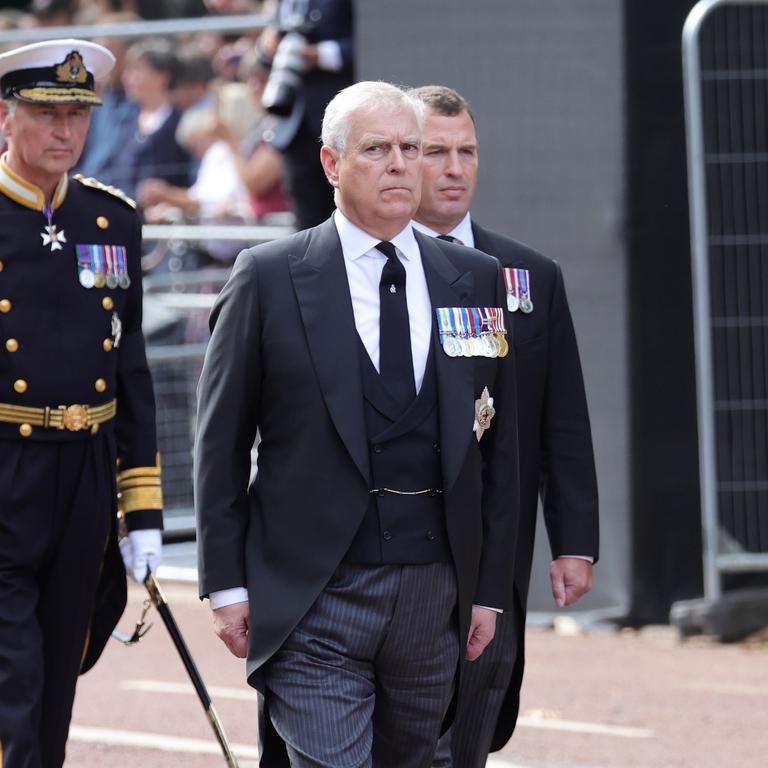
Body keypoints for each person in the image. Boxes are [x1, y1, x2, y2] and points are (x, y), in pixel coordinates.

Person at [195, 80, 520, 768]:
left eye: (410, 147)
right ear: (331, 164)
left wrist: (489, 588)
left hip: (434, 593)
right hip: (313, 590)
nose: (402, 164)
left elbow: (497, 451)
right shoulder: (270, 276)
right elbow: (220, 443)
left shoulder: (476, 277)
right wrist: (226, 584)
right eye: (377, 149)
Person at [407, 85, 599, 768]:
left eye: (468, 152)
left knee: (473, 729)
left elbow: (563, 420)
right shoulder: (358, 272)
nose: (455, 168)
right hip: (392, 545)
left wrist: (574, 540)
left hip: (492, 550)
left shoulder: (530, 275)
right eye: (436, 152)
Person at [0, 39, 163, 767]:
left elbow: (130, 368)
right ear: (6, 117)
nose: (64, 131)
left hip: (86, 473)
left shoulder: (112, 220)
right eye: (45, 113)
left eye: (77, 113)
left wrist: (144, 511)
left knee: (63, 665)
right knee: (17, 683)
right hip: (5, 468)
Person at [256, 0, 354, 229]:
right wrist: (266, 46)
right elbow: (266, 51)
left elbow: (374, 40)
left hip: (341, 122)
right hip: (292, 125)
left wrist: (318, 55)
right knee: (305, 224)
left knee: (348, 216)